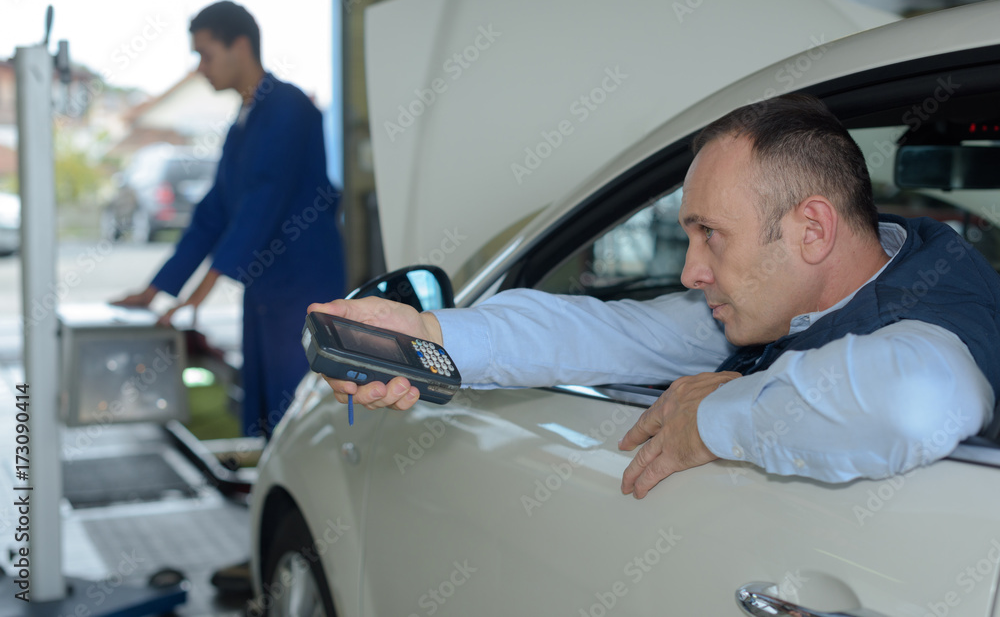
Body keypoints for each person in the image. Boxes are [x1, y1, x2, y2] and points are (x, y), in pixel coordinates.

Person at [308, 93, 1000, 499]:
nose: (691, 271)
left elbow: (913, 403)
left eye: (711, 235)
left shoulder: (946, 317)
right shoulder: (785, 297)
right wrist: (428, 329)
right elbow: (611, 333)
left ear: (811, 228)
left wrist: (715, 415)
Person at [113, 0, 345, 439]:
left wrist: (200, 292)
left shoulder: (288, 108)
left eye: (205, 54)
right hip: (265, 288)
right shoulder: (245, 119)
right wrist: (156, 289)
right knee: (260, 409)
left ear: (240, 46)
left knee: (295, 411)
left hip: (303, 290)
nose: (201, 68)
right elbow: (215, 211)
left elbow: (263, 201)